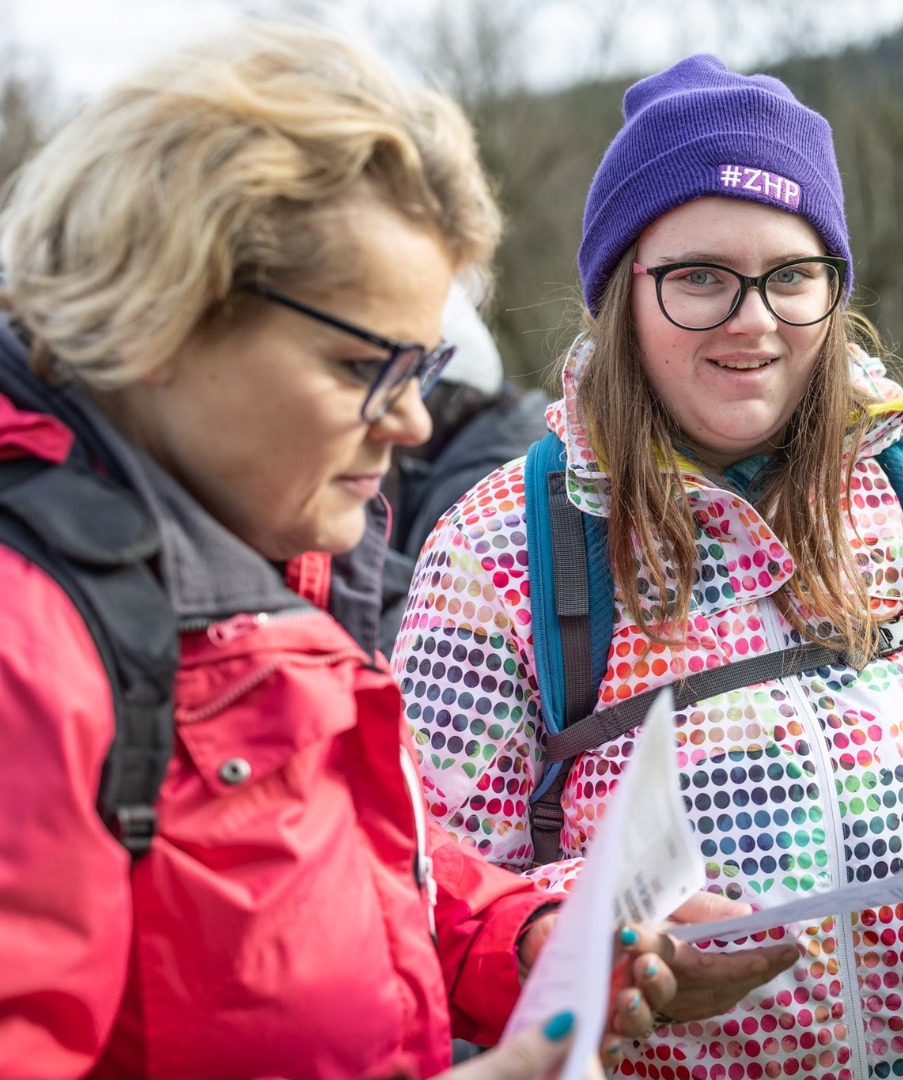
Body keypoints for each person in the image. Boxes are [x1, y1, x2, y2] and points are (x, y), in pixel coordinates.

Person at [394, 54, 903, 1079]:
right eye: (700, 277)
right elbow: (427, 897)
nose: (752, 319)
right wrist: (596, 945)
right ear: (622, 292)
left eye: (792, 276)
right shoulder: (501, 551)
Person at [0, 25, 672, 1078]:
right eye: (369, 364)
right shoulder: (29, 646)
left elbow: (345, 863)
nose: (411, 422)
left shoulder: (271, 553)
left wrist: (534, 943)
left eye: (430, 366)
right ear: (164, 318)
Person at [379, 281, 550, 657]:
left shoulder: (479, 485)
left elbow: (424, 640)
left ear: (452, 397)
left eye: (417, 384)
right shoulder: (495, 443)